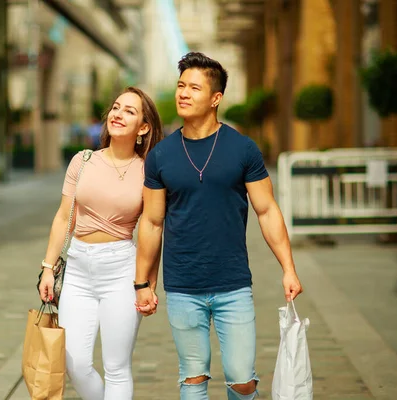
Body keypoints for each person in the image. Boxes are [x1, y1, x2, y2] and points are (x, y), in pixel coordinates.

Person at [134, 52, 303, 400]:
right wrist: (143, 283)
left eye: (194, 87)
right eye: (181, 85)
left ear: (215, 98)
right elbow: (151, 223)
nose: (183, 93)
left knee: (243, 380)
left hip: (232, 284)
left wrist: (288, 268)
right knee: (192, 379)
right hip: (182, 284)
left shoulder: (242, 149)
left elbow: (267, 210)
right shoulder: (161, 156)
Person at [38, 86, 164, 400]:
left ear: (143, 128)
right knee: (74, 362)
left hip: (122, 269)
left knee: (117, 366)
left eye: (130, 111)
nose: (118, 114)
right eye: (116, 107)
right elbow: (62, 217)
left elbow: (152, 228)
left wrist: (148, 283)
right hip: (78, 269)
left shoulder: (149, 171)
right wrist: (47, 268)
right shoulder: (82, 161)